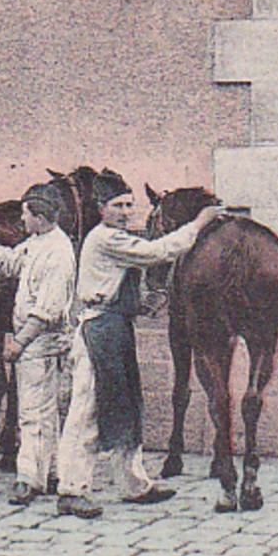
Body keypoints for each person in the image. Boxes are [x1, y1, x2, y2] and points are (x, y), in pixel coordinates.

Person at [55, 172, 221, 518]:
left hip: (116, 326)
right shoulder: (103, 239)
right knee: (87, 410)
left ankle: (134, 485)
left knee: (127, 407)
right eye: (117, 206)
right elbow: (159, 251)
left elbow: (119, 282)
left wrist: (139, 303)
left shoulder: (116, 237)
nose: (126, 211)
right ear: (101, 208)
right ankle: (71, 490)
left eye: (130, 205)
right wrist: (199, 222)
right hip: (98, 330)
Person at [0, 182, 77, 507]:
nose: (21, 221)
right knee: (46, 410)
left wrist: (19, 343)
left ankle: (28, 479)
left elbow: (48, 310)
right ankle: (50, 473)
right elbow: (14, 261)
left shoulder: (59, 254)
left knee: (32, 411)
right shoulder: (38, 242)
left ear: (39, 216)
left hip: (42, 342)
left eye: (25, 215)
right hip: (37, 341)